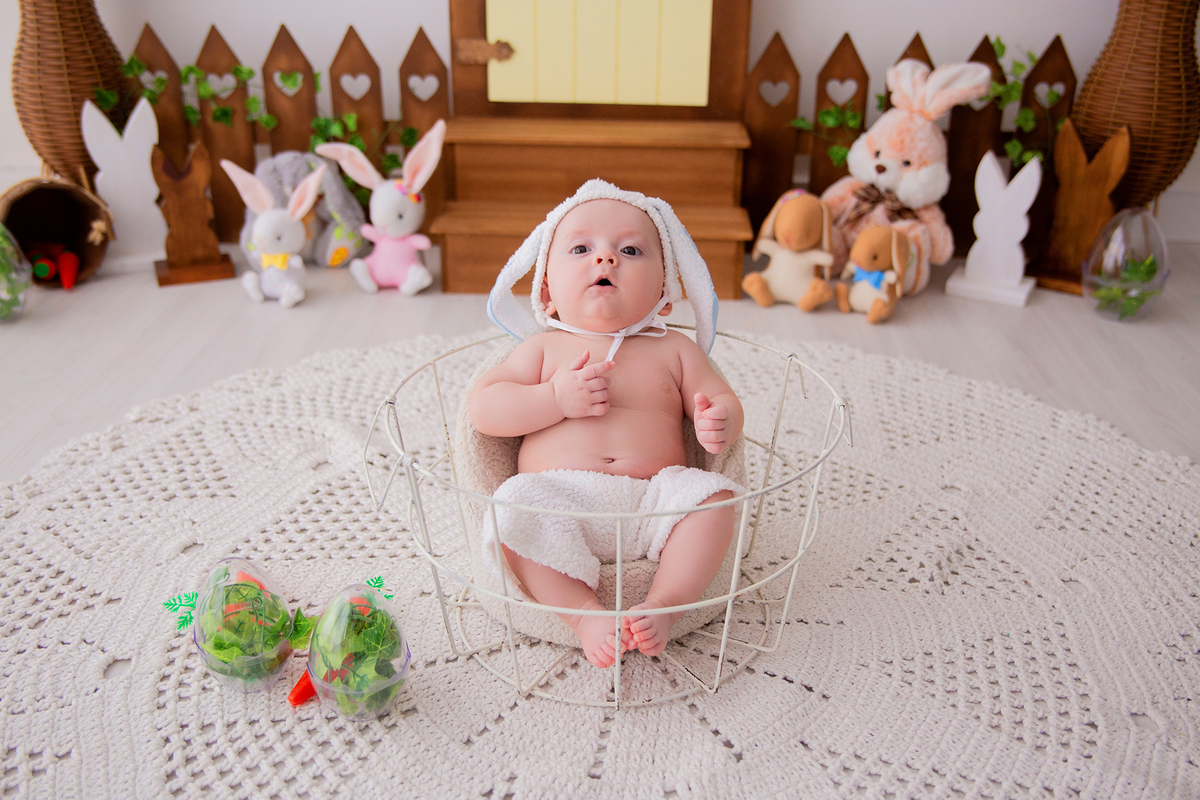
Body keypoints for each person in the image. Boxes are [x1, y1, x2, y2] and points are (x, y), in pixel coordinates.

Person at [469, 182, 744, 668]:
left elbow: (720, 396)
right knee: (511, 508)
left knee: (716, 498)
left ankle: (663, 603)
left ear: (664, 294)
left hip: (655, 498)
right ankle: (583, 614)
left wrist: (717, 418)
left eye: (630, 249)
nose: (606, 260)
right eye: (581, 248)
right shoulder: (543, 349)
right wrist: (553, 398)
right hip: (558, 497)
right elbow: (485, 409)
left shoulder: (674, 349)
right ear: (547, 292)